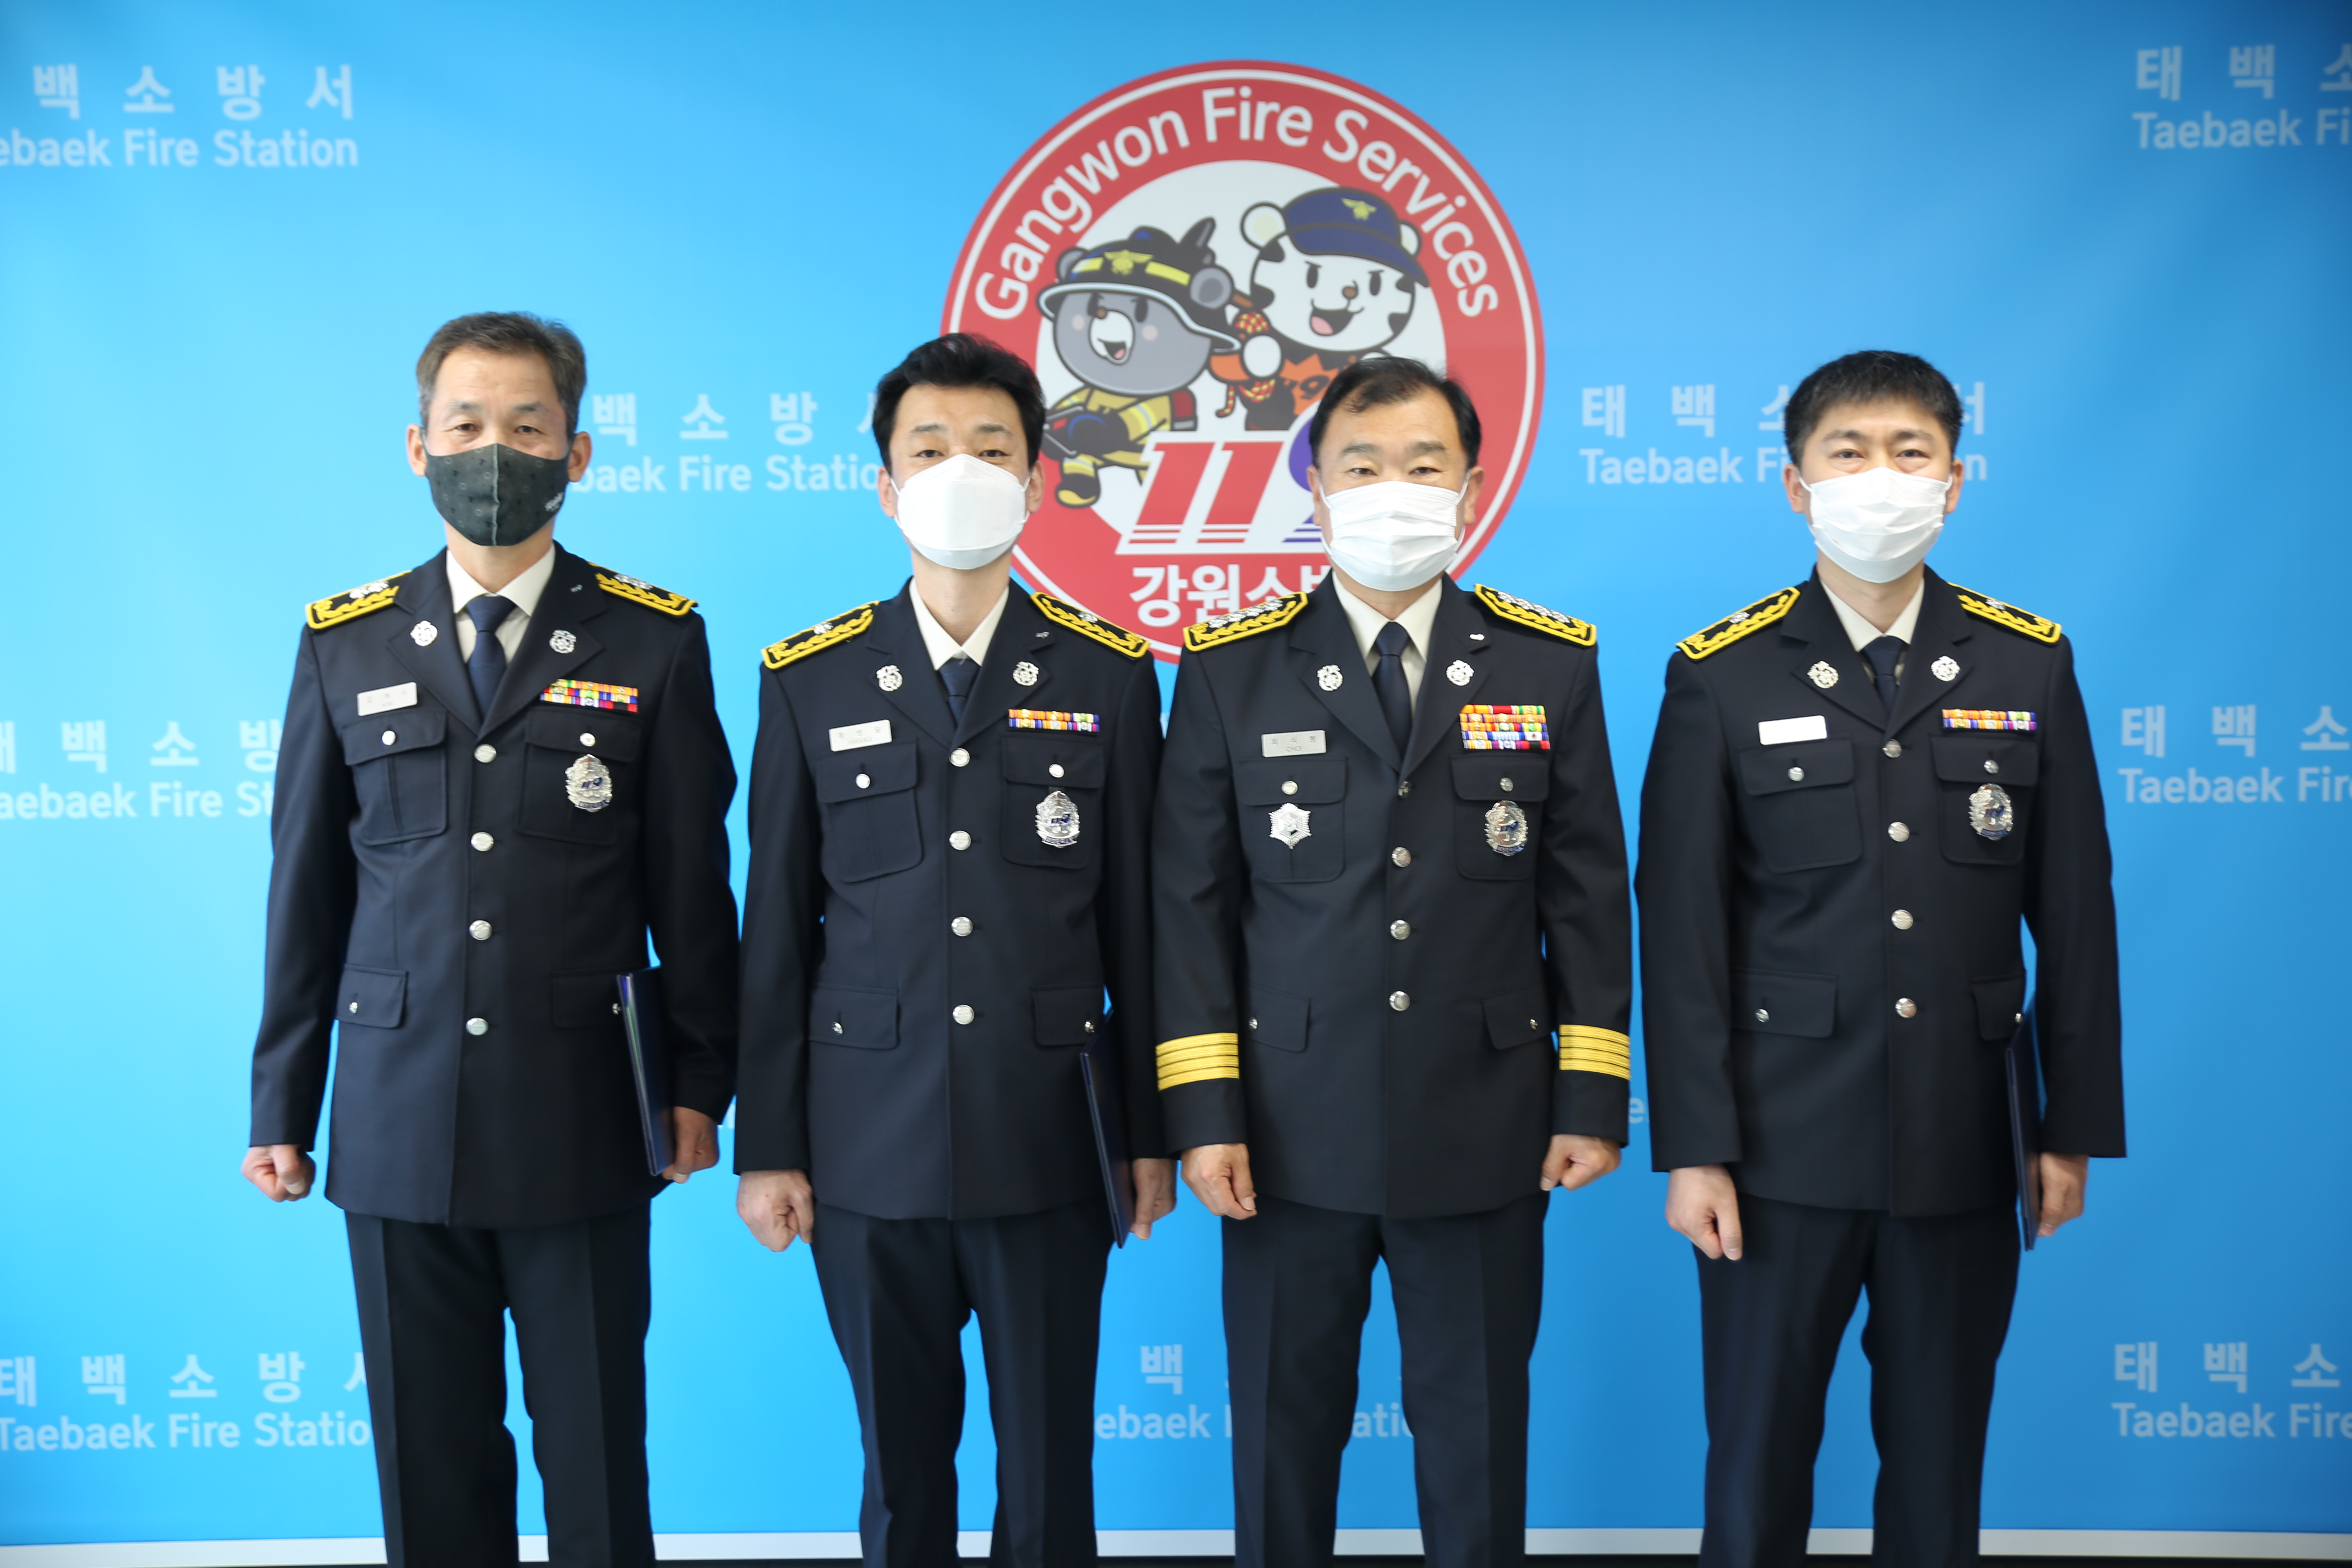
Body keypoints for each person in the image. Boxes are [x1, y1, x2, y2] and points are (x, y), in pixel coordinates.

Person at [243, 312, 740, 1566]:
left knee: (596, 1461)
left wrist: (697, 1087)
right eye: (466, 426)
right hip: (398, 1120)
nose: (495, 452)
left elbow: (692, 892)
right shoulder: (345, 639)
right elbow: (305, 893)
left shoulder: (654, 638)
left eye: (527, 426)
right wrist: (282, 1106)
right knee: (430, 1469)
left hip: (585, 1117)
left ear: (577, 453)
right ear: (418, 447)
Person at [1638, 350, 2125, 1568]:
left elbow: (2076, 913)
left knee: (1940, 1468)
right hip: (1776, 1150)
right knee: (1756, 1469)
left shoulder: (2026, 662)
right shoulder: (1720, 671)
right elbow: (1682, 932)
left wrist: (2067, 1130)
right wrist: (1694, 1146)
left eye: (1911, 453)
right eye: (1847, 453)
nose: (1881, 477)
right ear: (1796, 484)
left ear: (1954, 481)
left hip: (1964, 1140)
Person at [1152, 357, 1633, 1568]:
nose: (1393, 491)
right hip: (1285, 1132)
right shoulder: (1230, 666)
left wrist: (1591, 1095)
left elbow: (1585, 899)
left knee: (1476, 1446)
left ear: (1470, 487)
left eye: (1425, 466)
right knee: (1283, 1440)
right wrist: (1204, 1114)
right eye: (1361, 467)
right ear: (1315, 489)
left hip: (1485, 1124)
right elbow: (1191, 907)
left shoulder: (1547, 663)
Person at [733, 333, 1173, 1568]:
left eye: (991, 448)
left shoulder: (1111, 674)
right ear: (886, 486)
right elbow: (777, 933)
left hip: (1050, 1144)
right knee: (901, 1477)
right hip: (865, 1152)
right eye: (929, 450)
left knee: (1050, 1477)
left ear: (1037, 480)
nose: (960, 472)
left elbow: (1141, 933)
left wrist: (1146, 1135)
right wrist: (769, 1147)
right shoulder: (810, 678)